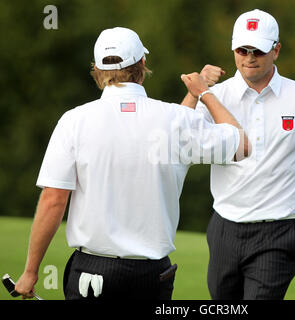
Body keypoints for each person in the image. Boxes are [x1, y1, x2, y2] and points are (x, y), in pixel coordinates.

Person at [15, 27, 249, 300]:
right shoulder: (174, 120)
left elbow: (53, 200)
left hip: (92, 273)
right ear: (142, 64)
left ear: (97, 69)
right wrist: (204, 93)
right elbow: (241, 145)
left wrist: (31, 272)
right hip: (152, 276)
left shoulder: (74, 121)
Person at [181, 9, 295, 300]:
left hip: (278, 232)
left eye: (258, 49)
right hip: (223, 230)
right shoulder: (214, 96)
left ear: (276, 50)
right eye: (242, 49)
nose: (249, 57)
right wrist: (197, 92)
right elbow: (178, 139)